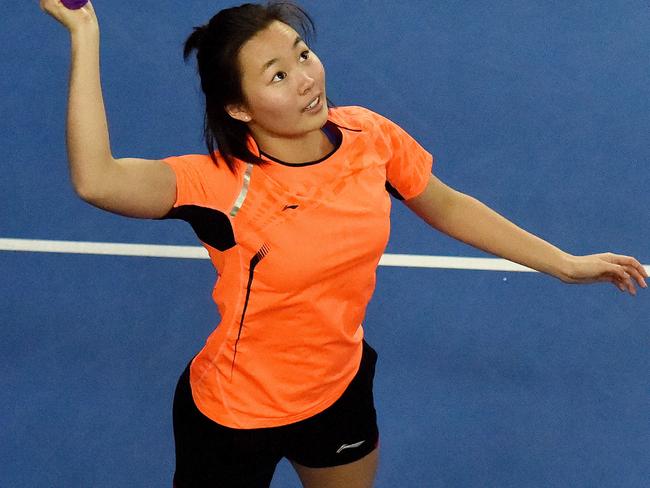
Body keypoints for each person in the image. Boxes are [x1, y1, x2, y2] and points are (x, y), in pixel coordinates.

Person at [40, 1, 647, 487]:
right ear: (238, 107)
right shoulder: (219, 184)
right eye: (277, 75)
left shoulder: (368, 135)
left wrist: (563, 265)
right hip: (232, 416)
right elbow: (98, 179)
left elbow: (445, 203)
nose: (305, 80)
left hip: (338, 389)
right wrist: (84, 30)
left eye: (303, 54)